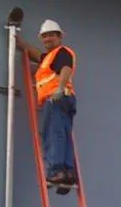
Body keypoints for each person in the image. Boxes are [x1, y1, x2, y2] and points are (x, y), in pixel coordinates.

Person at [16, 19, 77, 194]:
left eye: (51, 35)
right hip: (64, 99)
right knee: (63, 135)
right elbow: (36, 54)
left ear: (60, 36)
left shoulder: (62, 52)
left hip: (56, 98)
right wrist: (21, 44)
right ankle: (67, 173)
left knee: (53, 134)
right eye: (44, 36)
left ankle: (56, 171)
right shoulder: (48, 57)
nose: (47, 39)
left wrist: (59, 88)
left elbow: (66, 69)